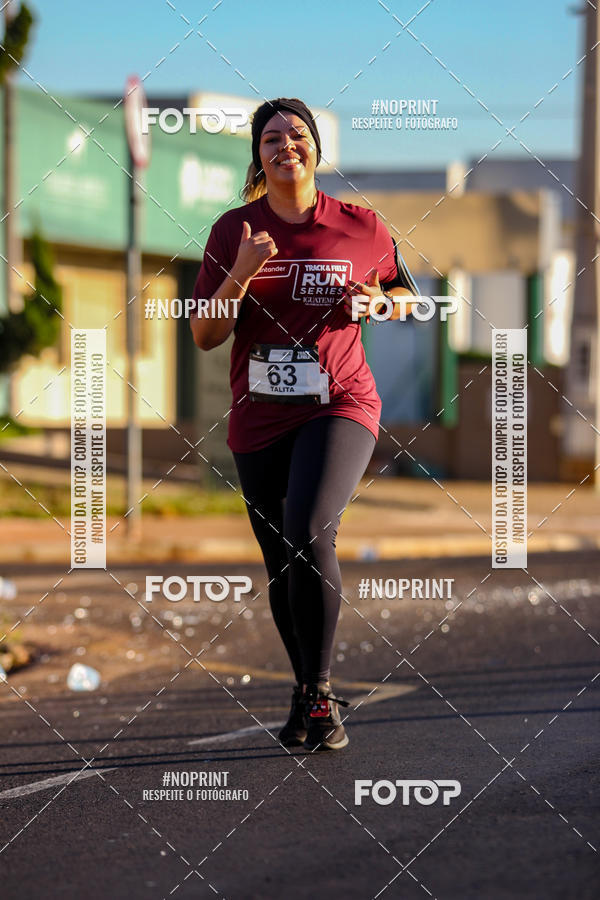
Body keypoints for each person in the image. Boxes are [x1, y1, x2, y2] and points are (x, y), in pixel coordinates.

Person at [190, 97, 418, 751]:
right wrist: (239, 272)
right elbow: (206, 334)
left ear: (316, 148)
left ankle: (319, 697)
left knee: (310, 528)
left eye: (296, 134)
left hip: (340, 402)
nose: (284, 144)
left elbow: (406, 292)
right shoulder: (233, 229)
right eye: (270, 138)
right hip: (258, 417)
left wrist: (383, 300)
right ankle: (303, 690)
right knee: (282, 565)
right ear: (257, 157)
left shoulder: (361, 225)